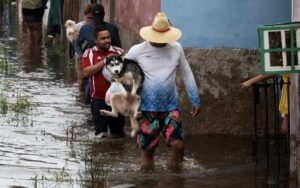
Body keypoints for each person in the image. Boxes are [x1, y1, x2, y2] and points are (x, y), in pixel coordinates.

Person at [125, 12, 201, 169]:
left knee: (178, 145)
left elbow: (186, 74)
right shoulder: (137, 51)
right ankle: (147, 181)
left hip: (170, 108)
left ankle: (175, 177)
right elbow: (122, 77)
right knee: (148, 150)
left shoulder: (176, 49)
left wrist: (195, 99)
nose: (160, 42)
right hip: (146, 110)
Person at [81, 25, 125, 138]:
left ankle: (115, 155)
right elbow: (86, 73)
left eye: (108, 37)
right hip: (98, 99)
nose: (107, 40)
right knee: (101, 136)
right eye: (103, 38)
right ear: (95, 40)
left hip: (118, 99)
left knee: (118, 135)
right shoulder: (89, 53)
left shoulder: (119, 52)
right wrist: (106, 60)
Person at [75, 4, 121, 102]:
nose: (98, 19)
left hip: (109, 61)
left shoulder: (112, 28)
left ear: (104, 16)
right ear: (92, 17)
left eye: (100, 17)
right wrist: (81, 55)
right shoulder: (85, 29)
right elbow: (78, 44)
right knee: (84, 82)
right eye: (96, 17)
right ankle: (84, 101)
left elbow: (118, 47)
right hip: (90, 60)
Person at [74, 3, 93, 92]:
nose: (90, 20)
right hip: (80, 57)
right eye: (88, 18)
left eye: (91, 18)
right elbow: (74, 42)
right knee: (81, 80)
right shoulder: (78, 26)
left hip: (92, 56)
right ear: (84, 16)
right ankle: (80, 97)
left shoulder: (96, 27)